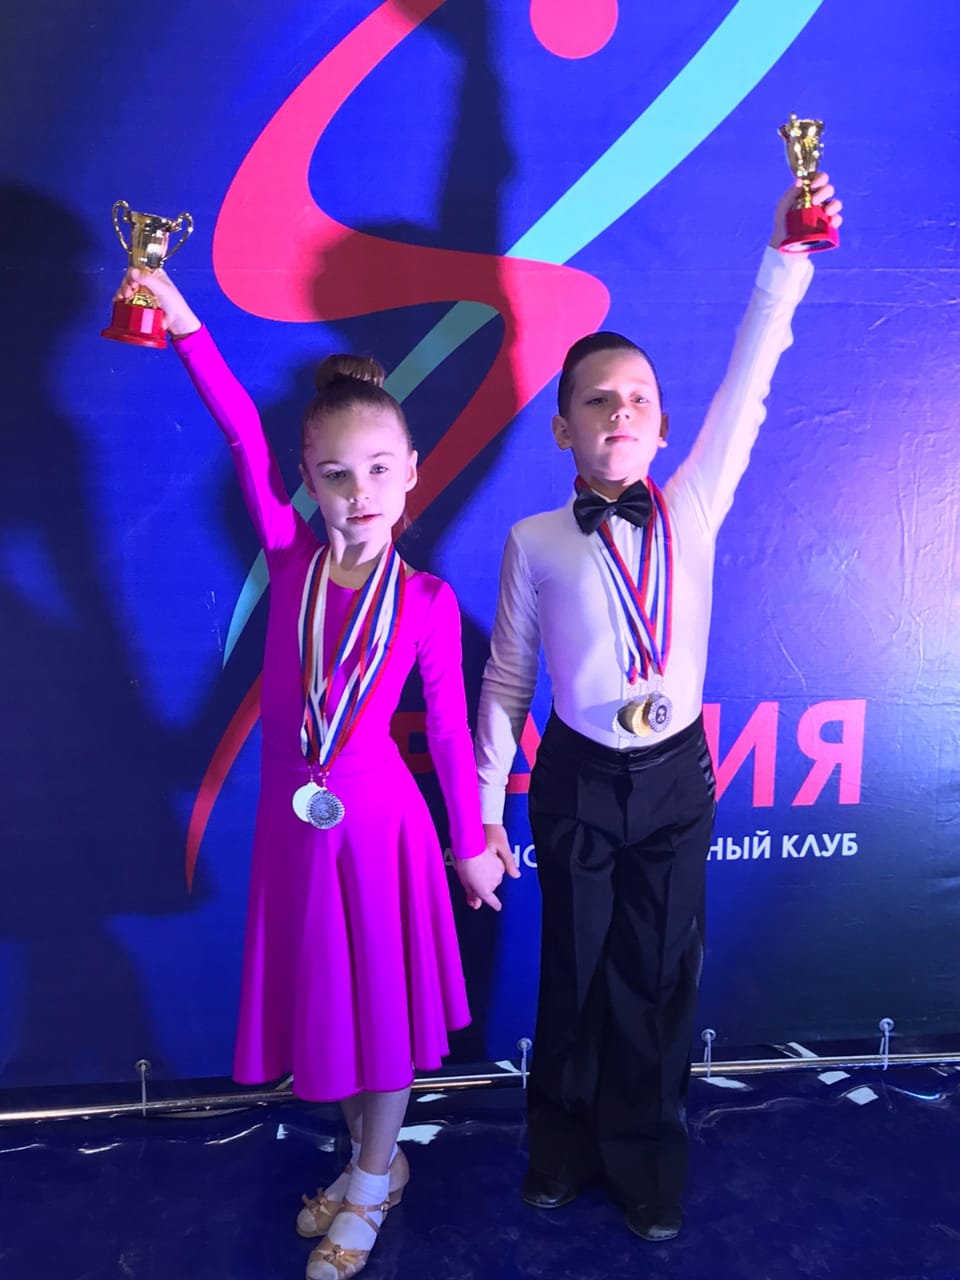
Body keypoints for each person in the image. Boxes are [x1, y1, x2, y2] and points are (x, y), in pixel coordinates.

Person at [113, 265, 518, 1280]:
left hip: (381, 833)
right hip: (297, 833)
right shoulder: (290, 560)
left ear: (412, 470)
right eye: (337, 474)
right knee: (329, 1012)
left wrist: (471, 844)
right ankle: (373, 1160)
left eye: (379, 470)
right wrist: (183, 320)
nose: (359, 493)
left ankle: (372, 1182)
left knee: (382, 1016)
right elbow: (239, 432)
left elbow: (453, 734)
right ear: (307, 476)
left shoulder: (425, 601)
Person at [475, 174, 843, 1242]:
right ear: (562, 427)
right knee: (574, 974)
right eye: (598, 398)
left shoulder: (695, 501)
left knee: (658, 977)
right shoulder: (534, 541)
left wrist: (786, 257)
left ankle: (645, 1160)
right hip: (578, 778)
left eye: (638, 396)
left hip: (677, 777)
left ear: (667, 424)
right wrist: (486, 815)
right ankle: (559, 1149)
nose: (622, 410)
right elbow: (506, 680)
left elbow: (753, 375)